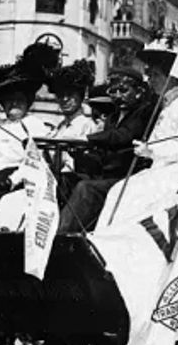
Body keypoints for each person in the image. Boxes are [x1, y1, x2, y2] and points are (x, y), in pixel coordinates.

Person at [97, 28, 178, 226]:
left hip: (175, 173)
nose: (151, 80)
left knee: (127, 194)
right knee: (119, 191)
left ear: (170, 78)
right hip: (159, 169)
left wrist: (150, 150)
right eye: (150, 74)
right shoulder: (168, 105)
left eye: (156, 75)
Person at [0, 43, 58, 211]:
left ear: (27, 101)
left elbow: (36, 163)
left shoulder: (34, 126)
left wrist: (12, 180)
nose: (13, 103)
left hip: (13, 185)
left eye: (19, 99)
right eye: (8, 100)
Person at [57, 70, 154, 233]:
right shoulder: (112, 118)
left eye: (123, 90)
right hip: (106, 177)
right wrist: (78, 154)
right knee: (62, 181)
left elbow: (124, 136)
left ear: (138, 93)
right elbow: (100, 158)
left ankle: (62, 235)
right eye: (113, 91)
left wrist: (88, 139)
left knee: (86, 188)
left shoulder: (144, 113)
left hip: (129, 178)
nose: (117, 95)